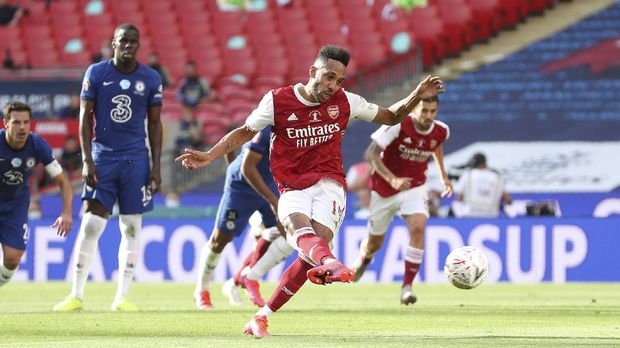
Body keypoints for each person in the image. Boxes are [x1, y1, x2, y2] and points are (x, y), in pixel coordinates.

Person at [176, 45, 444, 338]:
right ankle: (320, 270)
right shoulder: (278, 101)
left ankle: (268, 310)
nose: (333, 86)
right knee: (298, 231)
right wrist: (209, 155)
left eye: (339, 81)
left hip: (330, 184)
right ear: (312, 72)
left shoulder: (346, 102)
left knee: (310, 252)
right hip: (291, 185)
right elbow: (244, 131)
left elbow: (391, 116)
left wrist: (416, 95)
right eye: (329, 77)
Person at [53, 23, 163, 312]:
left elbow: (154, 124)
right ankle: (76, 295)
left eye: (133, 41)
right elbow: (84, 120)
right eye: (123, 40)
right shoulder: (97, 73)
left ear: (139, 45)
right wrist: (87, 160)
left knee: (131, 226)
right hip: (103, 157)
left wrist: (155, 166)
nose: (128, 45)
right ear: (113, 43)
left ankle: (122, 297)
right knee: (91, 224)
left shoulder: (151, 78)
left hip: (136, 160)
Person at [351, 95, 452, 306]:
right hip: (384, 189)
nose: (428, 116)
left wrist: (443, 175)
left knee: (418, 228)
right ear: (415, 110)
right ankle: (363, 259)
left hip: (414, 187)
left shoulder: (441, 130)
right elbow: (370, 154)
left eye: (433, 112)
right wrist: (393, 179)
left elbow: (436, 146)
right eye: (424, 111)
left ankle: (407, 287)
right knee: (374, 244)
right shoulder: (398, 124)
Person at [194, 125, 285, 309]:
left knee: (286, 235)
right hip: (243, 184)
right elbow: (245, 161)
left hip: (271, 183)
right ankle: (202, 290)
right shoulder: (265, 125)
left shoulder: (299, 125)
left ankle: (239, 280)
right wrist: (274, 202)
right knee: (219, 241)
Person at [0, 101, 73, 288]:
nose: (22, 127)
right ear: (5, 123)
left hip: (15, 205)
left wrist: (66, 213)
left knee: (12, 259)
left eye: (26, 122)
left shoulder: (37, 145)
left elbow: (63, 181)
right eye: (16, 122)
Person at [452, 153, 512, 217]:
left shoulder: (468, 175)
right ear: (484, 163)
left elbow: (459, 197)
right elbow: (507, 199)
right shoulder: (495, 176)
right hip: (491, 214)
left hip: (470, 213)